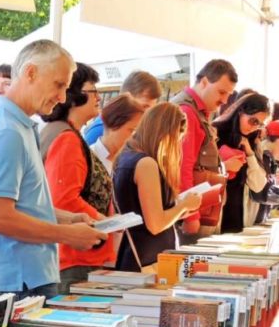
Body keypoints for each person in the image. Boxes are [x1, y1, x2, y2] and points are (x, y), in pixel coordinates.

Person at [0, 40, 106, 299]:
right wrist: (68, 234)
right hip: (17, 278)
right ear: (30, 73)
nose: (63, 97)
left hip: (20, 276)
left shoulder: (14, 124)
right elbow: (0, 218)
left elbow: (21, 204)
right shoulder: (8, 131)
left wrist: (68, 219)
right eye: (59, 85)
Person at [40, 62, 115, 291]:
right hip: (75, 257)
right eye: (93, 91)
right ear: (74, 96)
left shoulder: (62, 132)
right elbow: (64, 199)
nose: (98, 98)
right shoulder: (66, 138)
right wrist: (105, 222)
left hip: (72, 254)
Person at [113, 103, 202, 271]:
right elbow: (155, 224)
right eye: (176, 139)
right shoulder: (146, 164)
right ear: (165, 134)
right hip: (146, 259)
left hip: (136, 254)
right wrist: (184, 205)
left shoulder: (125, 157)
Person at [171, 59, 238, 243]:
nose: (225, 100)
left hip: (202, 208)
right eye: (222, 92)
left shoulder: (196, 110)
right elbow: (181, 167)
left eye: (229, 94)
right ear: (204, 82)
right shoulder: (187, 112)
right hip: (195, 213)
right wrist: (190, 215)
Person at [213, 92, 270, 233]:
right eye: (253, 121)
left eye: (260, 124)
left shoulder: (252, 140)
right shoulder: (215, 133)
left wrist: (250, 153)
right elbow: (198, 173)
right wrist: (225, 167)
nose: (254, 127)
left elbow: (258, 186)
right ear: (240, 112)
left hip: (239, 213)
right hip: (214, 210)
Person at [84, 70, 161, 145]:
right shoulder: (100, 131)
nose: (149, 114)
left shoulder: (137, 130)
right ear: (126, 99)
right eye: (144, 107)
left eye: (152, 109)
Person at [89, 93, 145, 174]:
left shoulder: (130, 161)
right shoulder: (89, 159)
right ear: (114, 123)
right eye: (131, 130)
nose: (134, 137)